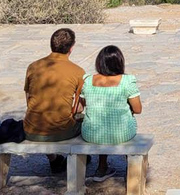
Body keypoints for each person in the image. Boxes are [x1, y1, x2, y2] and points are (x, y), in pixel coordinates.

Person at [24, 28, 85, 172]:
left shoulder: (33, 66)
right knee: (83, 119)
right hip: (61, 131)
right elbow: (78, 108)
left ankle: (53, 159)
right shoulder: (78, 72)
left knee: (42, 114)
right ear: (71, 48)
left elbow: (28, 100)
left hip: (31, 128)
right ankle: (82, 158)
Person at [79, 45, 142, 180]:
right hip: (121, 133)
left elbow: (80, 106)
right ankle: (131, 169)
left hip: (91, 134)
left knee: (103, 121)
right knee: (116, 124)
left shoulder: (88, 80)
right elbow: (138, 109)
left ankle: (102, 167)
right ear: (120, 62)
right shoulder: (127, 81)